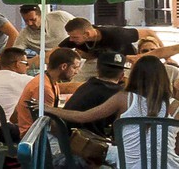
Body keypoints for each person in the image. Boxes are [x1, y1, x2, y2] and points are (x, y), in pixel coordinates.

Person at [50, 53, 178, 166]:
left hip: (128, 164)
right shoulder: (175, 106)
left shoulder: (124, 98)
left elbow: (82, 116)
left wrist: (50, 109)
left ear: (134, 75)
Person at [60, 51, 130, 139]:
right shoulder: (120, 95)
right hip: (85, 146)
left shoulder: (87, 86)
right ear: (122, 75)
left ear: (97, 69)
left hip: (65, 138)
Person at [14, 47, 80, 130]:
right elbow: (47, 124)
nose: (76, 72)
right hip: (34, 138)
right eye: (75, 68)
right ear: (64, 66)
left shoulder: (49, 80)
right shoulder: (44, 88)